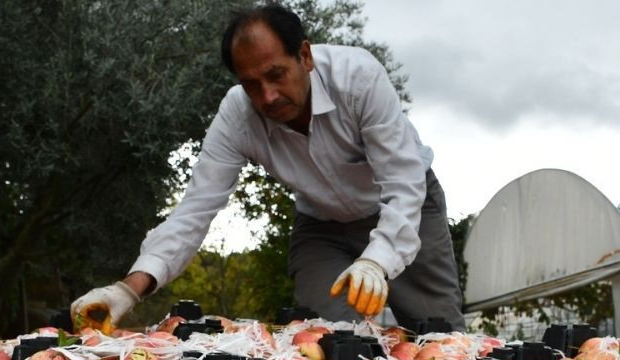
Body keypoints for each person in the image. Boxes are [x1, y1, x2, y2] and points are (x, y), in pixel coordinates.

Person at [70, 3, 465, 331]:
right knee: (328, 337)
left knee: (440, 334)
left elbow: (403, 181)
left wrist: (377, 260)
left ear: (305, 56)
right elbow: (195, 210)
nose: (268, 96)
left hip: (407, 208)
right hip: (321, 227)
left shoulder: (358, 78)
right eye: (252, 84)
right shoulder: (237, 116)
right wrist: (128, 290)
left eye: (276, 75)